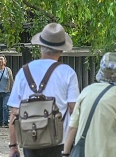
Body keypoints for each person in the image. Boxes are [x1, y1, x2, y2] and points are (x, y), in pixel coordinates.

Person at [7, 23, 80, 157]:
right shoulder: (68, 73)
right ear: (61, 50)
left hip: (30, 138)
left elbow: (14, 113)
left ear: (40, 47)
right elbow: (73, 110)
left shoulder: (24, 72)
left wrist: (13, 146)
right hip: (59, 141)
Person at [0, 55, 14, 127]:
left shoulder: (8, 70)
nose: (0, 61)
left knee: (5, 107)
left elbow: (11, 80)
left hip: (7, 92)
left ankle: (5, 122)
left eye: (1, 59)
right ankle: (0, 122)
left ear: (5, 61)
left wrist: (13, 90)